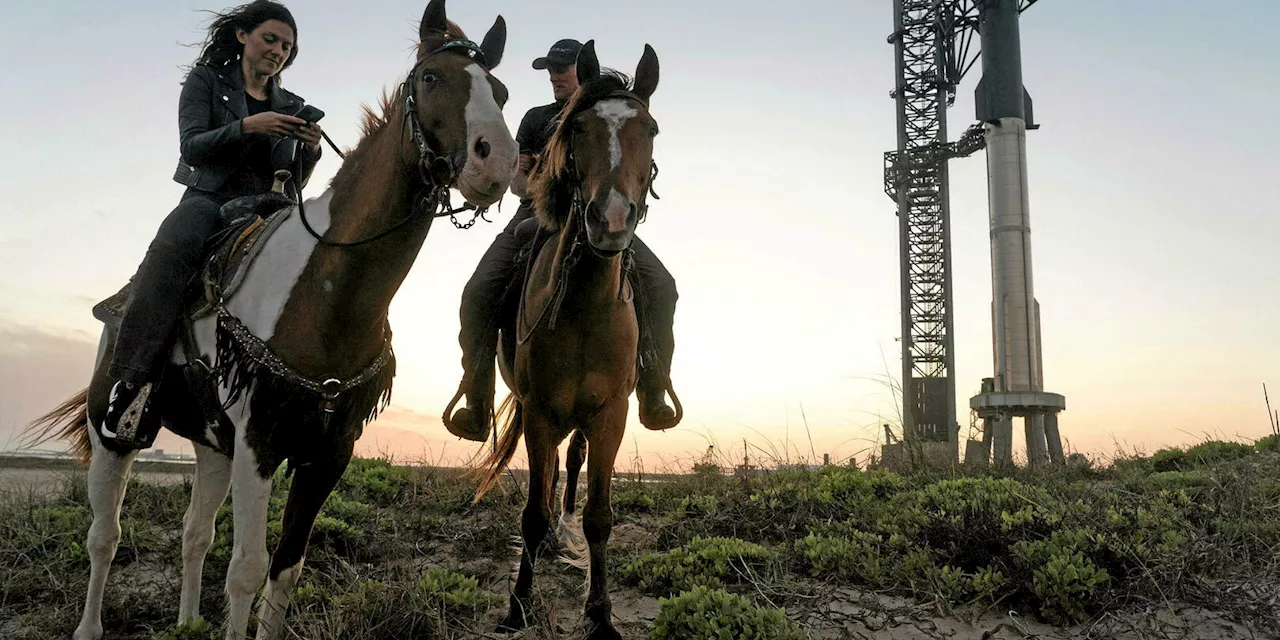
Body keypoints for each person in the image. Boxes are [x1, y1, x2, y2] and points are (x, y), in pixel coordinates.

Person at [101, 0, 324, 448]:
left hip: (268, 206)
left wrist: (310, 150)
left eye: (286, 45)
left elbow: (293, 180)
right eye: (270, 39)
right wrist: (247, 127)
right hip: (209, 200)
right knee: (172, 247)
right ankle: (130, 385)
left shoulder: (293, 104)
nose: (278, 50)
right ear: (242, 36)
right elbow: (192, 147)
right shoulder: (205, 81)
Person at [445, 39, 680, 442]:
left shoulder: (608, 115)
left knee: (661, 285)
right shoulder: (537, 119)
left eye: (561, 68)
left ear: (582, 71)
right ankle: (477, 398)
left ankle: (654, 387)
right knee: (478, 290)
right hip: (537, 219)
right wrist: (537, 177)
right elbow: (518, 182)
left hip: (598, 220)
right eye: (549, 69)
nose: (554, 75)